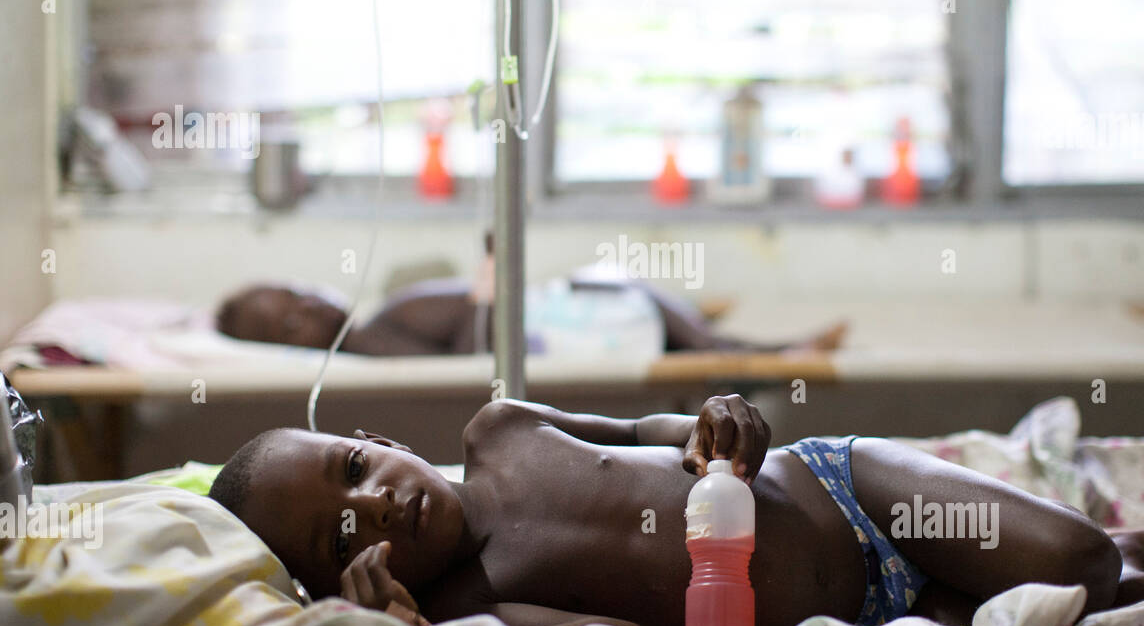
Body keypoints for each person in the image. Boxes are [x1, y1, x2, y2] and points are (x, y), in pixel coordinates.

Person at [208, 394, 1144, 626]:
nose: (375, 498)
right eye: (344, 532)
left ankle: (1122, 537)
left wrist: (721, 424)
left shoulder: (500, 428)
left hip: (844, 492)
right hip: (856, 620)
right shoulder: (476, 611)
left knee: (1090, 565)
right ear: (338, 582)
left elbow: (662, 429)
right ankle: (1119, 558)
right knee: (1085, 605)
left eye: (353, 466)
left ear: (370, 435)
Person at [214, 276, 848, 357]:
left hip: (558, 309)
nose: (309, 308)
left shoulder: (392, 311)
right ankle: (782, 355)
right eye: (289, 322)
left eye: (300, 293)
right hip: (572, 332)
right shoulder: (374, 343)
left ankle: (774, 349)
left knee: (693, 335)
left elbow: (480, 299)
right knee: (697, 344)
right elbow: (470, 340)